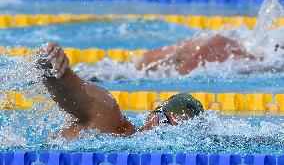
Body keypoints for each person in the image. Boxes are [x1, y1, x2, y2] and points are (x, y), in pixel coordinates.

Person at [36, 34, 256, 139]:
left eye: (175, 130)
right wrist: (53, 66)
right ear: (152, 114)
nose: (162, 131)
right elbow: (71, 92)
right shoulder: (110, 117)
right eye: (163, 120)